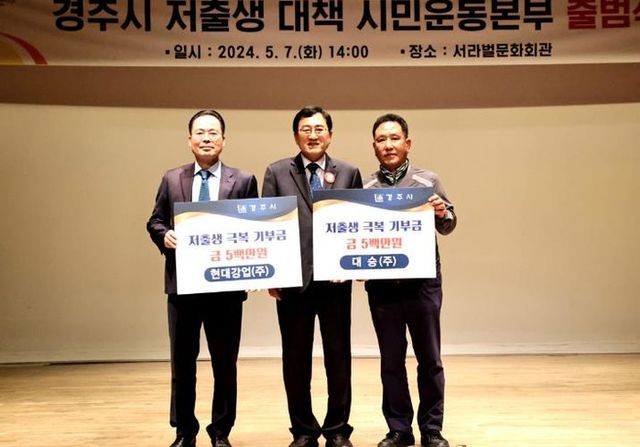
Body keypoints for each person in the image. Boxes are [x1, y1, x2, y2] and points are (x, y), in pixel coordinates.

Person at [147, 109, 259, 447]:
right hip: (183, 287)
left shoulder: (243, 180)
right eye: (200, 132)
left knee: (225, 364)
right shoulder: (172, 179)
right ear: (189, 140)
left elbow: (256, 228)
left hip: (226, 289)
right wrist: (164, 235)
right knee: (182, 364)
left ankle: (220, 431)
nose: (206, 138)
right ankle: (185, 431)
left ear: (224, 140)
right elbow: (155, 221)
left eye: (213, 133)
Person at [262, 106, 363, 447]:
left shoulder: (348, 172)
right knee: (295, 359)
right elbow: (269, 226)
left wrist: (351, 266)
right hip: (293, 283)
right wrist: (273, 275)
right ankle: (303, 430)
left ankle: (338, 430)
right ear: (296, 136)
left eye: (319, 129)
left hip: (336, 283)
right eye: (306, 129)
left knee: (339, 358)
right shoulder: (277, 172)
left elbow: (357, 224)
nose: (313, 135)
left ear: (330, 135)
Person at [363, 114, 457, 447]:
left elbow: (449, 223)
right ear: (374, 146)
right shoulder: (365, 189)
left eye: (394, 138)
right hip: (383, 288)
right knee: (391, 361)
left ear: (407, 143)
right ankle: (399, 429)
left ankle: (432, 429)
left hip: (423, 286)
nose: (388, 145)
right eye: (381, 140)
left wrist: (442, 212)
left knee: (429, 359)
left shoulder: (427, 181)